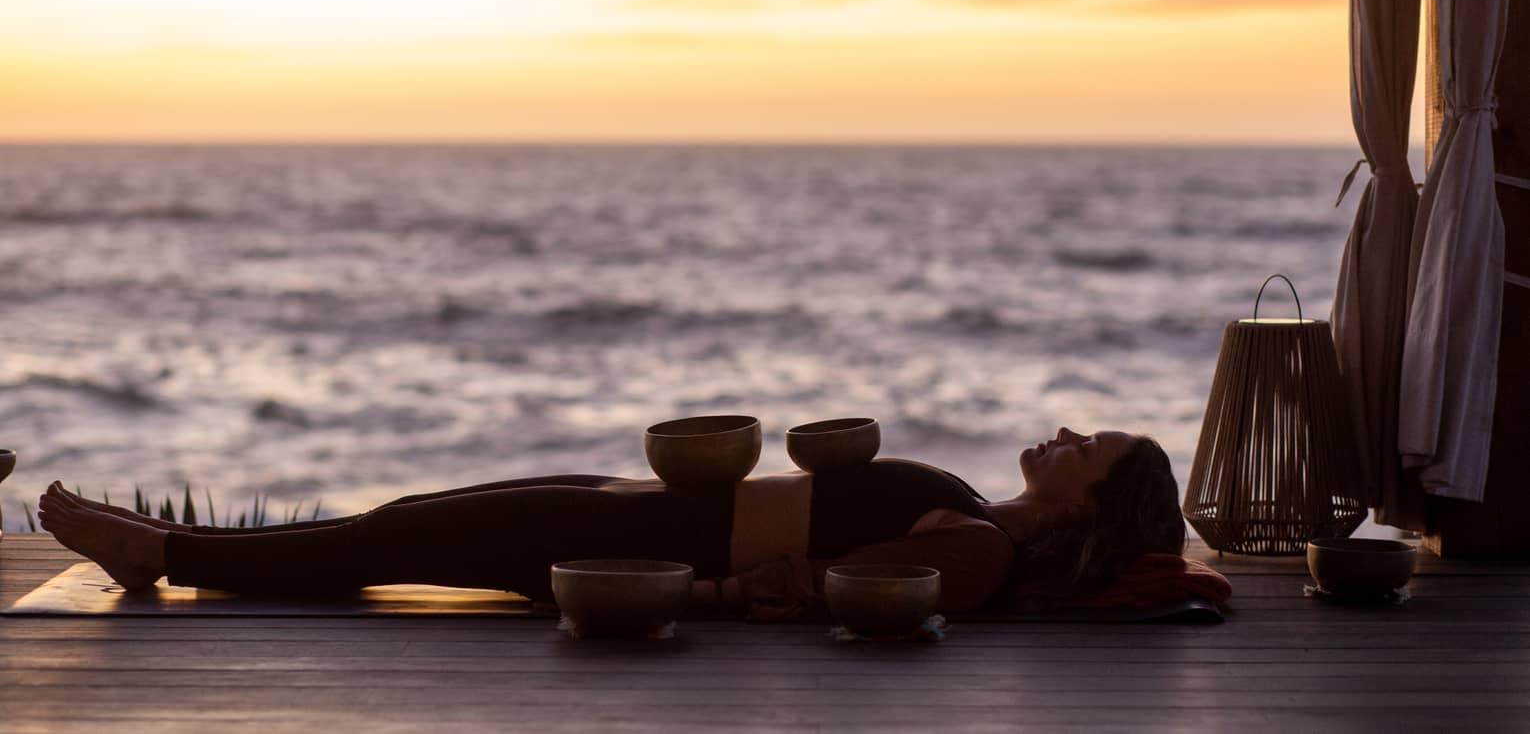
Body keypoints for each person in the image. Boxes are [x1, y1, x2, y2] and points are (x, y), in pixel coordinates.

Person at [37, 427, 1185, 618]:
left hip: (638, 552)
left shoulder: (977, 550)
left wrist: (646, 598)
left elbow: (806, 588)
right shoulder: (976, 513)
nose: (1069, 434)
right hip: (634, 508)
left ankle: (161, 552)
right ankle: (167, 545)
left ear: (1091, 503)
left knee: (389, 548)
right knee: (402, 520)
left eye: (1094, 449)